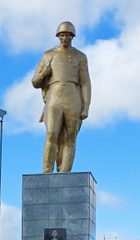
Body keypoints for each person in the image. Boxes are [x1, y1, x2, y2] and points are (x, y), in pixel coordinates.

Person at [31, 21, 91, 174]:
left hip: (73, 96)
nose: (65, 38)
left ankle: (65, 172)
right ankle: (47, 171)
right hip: (54, 96)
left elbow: (85, 83)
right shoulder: (48, 55)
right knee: (51, 134)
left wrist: (86, 106)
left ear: (72, 36)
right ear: (58, 36)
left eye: (68, 35)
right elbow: (35, 82)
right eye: (62, 35)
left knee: (70, 137)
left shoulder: (80, 57)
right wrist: (45, 73)